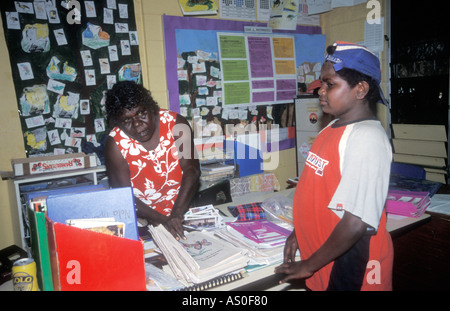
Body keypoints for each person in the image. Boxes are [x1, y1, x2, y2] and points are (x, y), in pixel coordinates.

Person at [275, 41, 393, 291]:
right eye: (321, 83)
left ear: (360, 89)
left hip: (351, 265)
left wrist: (308, 265)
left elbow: (355, 222)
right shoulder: (332, 128)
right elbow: (318, 191)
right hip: (324, 256)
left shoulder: (367, 138)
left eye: (330, 84)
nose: (320, 91)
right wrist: (301, 231)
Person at [104, 81, 200, 240]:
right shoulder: (115, 146)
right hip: (143, 221)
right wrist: (165, 221)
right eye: (127, 121)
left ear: (151, 107)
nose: (137, 125)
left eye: (142, 114)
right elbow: (124, 197)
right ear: (117, 123)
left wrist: (175, 216)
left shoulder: (177, 125)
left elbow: (192, 170)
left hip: (181, 212)